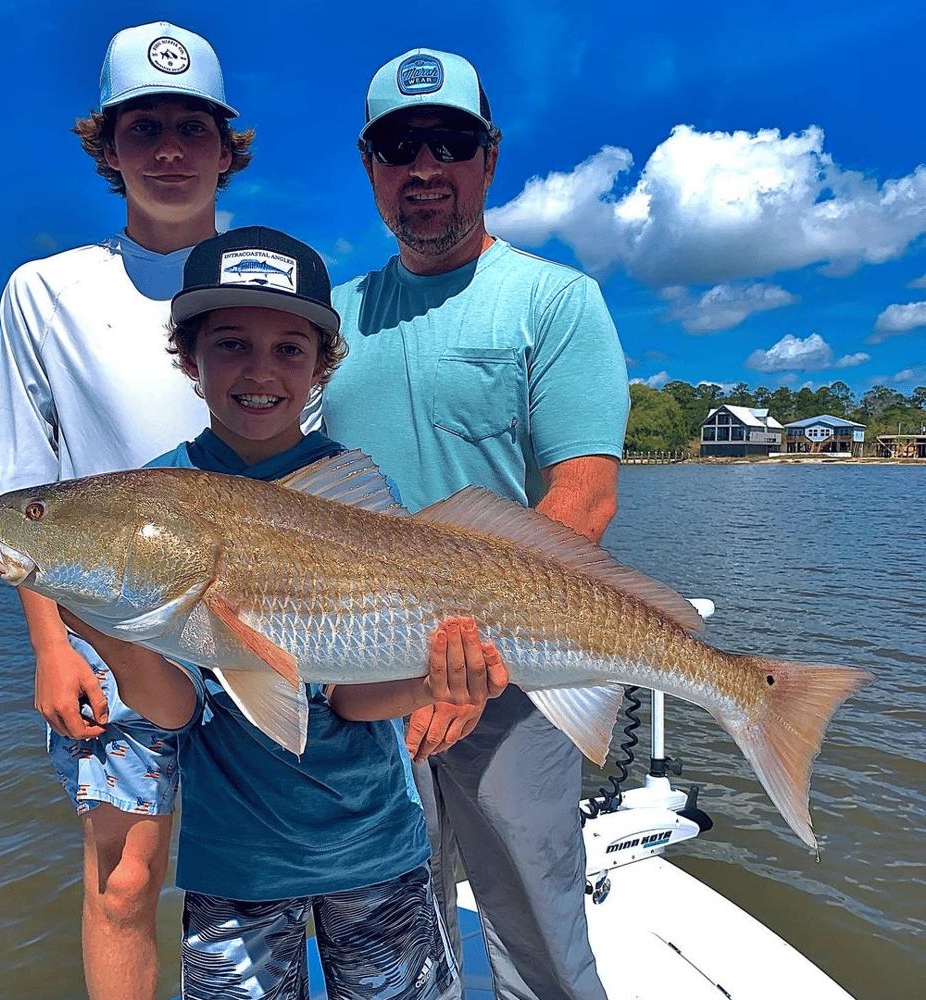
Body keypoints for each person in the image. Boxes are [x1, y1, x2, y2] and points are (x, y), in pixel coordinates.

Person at [62, 224, 509, 1000]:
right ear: (187, 359)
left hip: (375, 843)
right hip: (235, 861)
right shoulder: (155, 494)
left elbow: (353, 697)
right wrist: (118, 639)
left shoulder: (355, 485)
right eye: (231, 343)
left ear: (322, 367)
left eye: (290, 350)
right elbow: (173, 712)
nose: (261, 371)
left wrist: (439, 685)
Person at [319, 48, 630, 1000]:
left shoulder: (556, 301)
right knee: (387, 934)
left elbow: (583, 498)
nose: (424, 167)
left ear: (489, 159)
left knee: (536, 921)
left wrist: (469, 654)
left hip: (518, 676)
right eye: (397, 145)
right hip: (363, 675)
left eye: (450, 142)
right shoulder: (329, 319)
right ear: (370, 165)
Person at [0, 22, 254, 1000]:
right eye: (144, 128)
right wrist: (50, 647)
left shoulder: (276, 280)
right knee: (124, 881)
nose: (172, 149)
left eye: (195, 126)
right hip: (108, 632)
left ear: (229, 146)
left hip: (258, 619)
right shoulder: (43, 291)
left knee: (264, 879)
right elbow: (23, 484)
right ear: (106, 146)